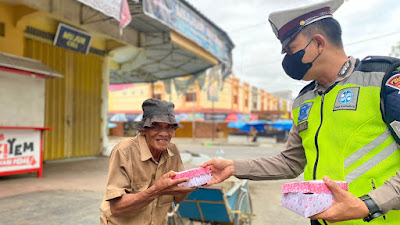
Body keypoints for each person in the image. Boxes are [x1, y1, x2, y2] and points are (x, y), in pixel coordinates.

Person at [201, 0, 400, 224]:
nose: (287, 61)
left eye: (291, 51)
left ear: (318, 43)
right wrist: (233, 167)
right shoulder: (304, 100)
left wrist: (368, 204)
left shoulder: (383, 80)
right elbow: (290, 162)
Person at [100, 98, 195, 225]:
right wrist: (157, 190)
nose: (164, 133)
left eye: (169, 127)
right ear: (143, 129)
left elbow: (178, 199)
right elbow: (116, 208)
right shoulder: (125, 150)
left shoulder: (173, 151)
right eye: (156, 126)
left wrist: (193, 182)